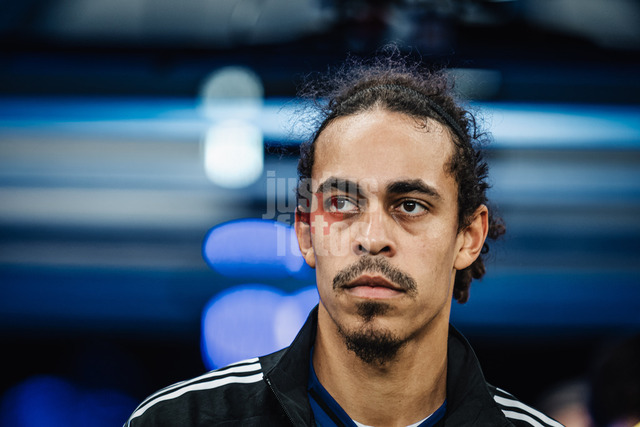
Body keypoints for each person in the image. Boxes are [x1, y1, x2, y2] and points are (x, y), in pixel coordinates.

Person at [125, 51, 563, 427]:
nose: (372, 238)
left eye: (410, 205)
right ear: (305, 232)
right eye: (341, 203)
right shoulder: (178, 420)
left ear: (468, 237)